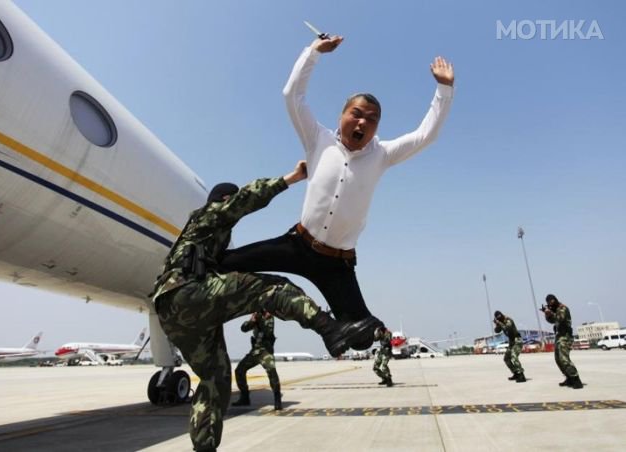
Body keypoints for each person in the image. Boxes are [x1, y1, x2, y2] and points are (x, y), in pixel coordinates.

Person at [221, 33, 454, 349]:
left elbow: (426, 135)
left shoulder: (382, 155)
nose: (362, 122)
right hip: (298, 244)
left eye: (371, 119)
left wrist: (444, 89)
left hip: (337, 264)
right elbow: (292, 95)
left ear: (377, 128)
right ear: (341, 117)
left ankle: (330, 327)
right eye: (356, 114)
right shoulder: (318, 139)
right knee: (226, 262)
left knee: (360, 337)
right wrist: (314, 51)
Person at [150, 161, 379, 452]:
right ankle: (329, 328)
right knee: (273, 287)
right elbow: (247, 198)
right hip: (189, 292)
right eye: (229, 201)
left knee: (214, 379)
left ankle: (203, 448)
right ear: (223, 200)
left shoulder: (201, 239)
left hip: (172, 311)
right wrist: (291, 179)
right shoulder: (209, 215)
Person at [232, 309, 282, 410]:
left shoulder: (270, 317)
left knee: (272, 371)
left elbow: (267, 332)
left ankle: (277, 399)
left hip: (266, 352)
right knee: (239, 370)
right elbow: (244, 328)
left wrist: (261, 320)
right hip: (255, 352)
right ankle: (245, 397)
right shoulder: (257, 317)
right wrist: (252, 320)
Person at [542, 294, 583, 389]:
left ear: (555, 300)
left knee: (564, 359)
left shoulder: (563, 308)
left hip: (566, 336)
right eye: (549, 303)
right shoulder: (555, 310)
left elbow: (560, 318)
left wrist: (551, 313)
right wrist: (547, 315)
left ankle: (576, 379)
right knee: (558, 359)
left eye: (551, 301)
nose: (550, 304)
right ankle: (569, 377)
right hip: (559, 336)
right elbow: (552, 320)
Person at [493, 310, 526, 383]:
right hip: (511, 342)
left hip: (517, 340)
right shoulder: (501, 322)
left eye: (499, 316)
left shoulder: (508, 320)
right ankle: (516, 373)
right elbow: (496, 331)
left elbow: (507, 328)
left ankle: (521, 375)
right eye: (497, 317)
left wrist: (500, 323)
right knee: (506, 358)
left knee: (514, 356)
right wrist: (497, 325)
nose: (499, 318)